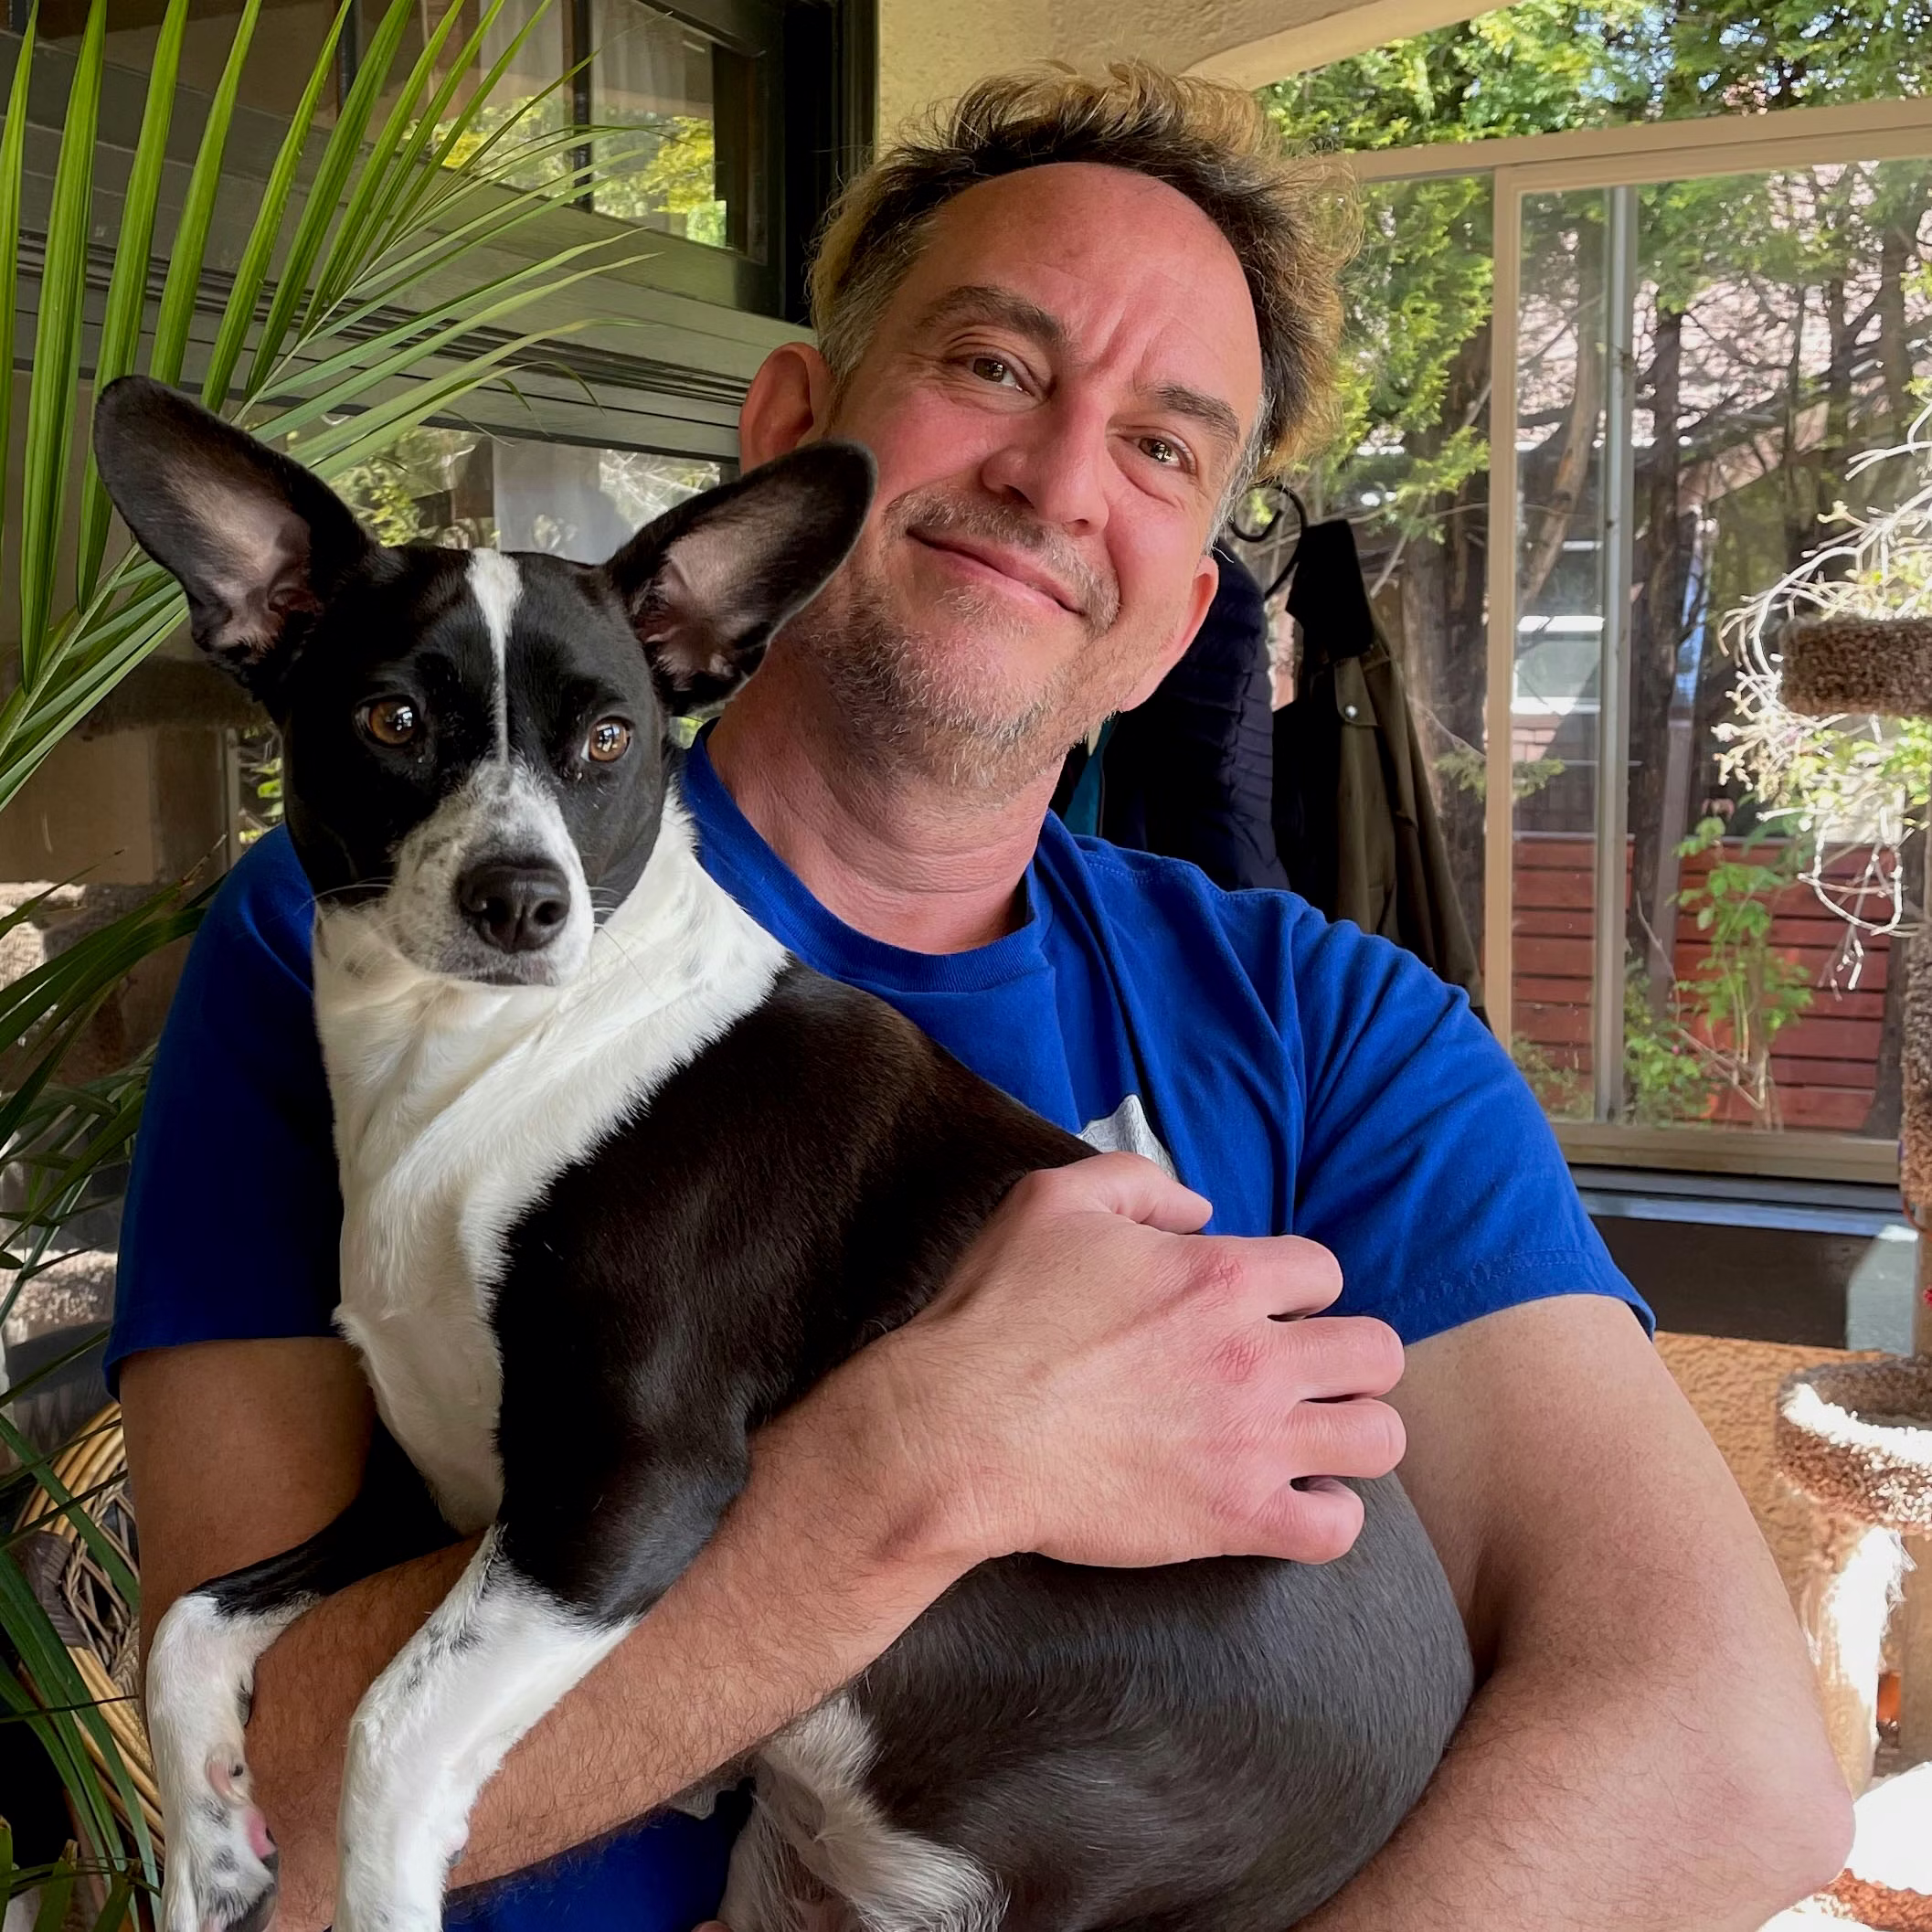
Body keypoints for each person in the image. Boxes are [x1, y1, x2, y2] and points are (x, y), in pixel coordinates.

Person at [111, 64, 1851, 1932]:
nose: (1056, 477)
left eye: (1162, 447)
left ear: (1186, 609)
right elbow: (270, 1807)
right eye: (997, 366)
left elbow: (1724, 1764)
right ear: (792, 432)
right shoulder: (370, 938)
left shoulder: (1337, 1033)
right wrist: (917, 1462)